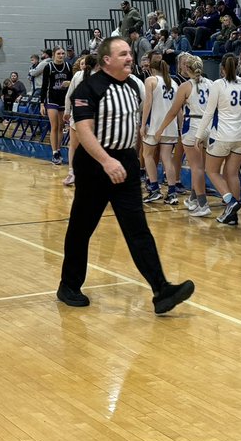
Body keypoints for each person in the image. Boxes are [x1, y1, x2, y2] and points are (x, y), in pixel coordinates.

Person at [56, 37, 194, 314]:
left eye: (130, 53)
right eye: (123, 54)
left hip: (126, 162)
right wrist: (106, 161)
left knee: (138, 228)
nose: (130, 58)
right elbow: (83, 130)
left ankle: (161, 290)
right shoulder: (88, 88)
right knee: (82, 228)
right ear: (107, 60)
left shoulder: (135, 85)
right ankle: (68, 286)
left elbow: (134, 122)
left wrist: (132, 157)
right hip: (95, 163)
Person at [194, 55, 241, 226]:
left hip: (222, 135)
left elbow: (209, 113)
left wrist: (199, 135)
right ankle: (233, 215)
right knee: (232, 173)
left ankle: (231, 201)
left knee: (212, 171)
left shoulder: (218, 84)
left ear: (222, 68)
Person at [153, 53, 214, 216]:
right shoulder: (211, 83)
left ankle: (203, 203)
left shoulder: (186, 86)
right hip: (209, 125)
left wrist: (160, 129)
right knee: (201, 167)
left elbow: (173, 112)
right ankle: (194, 199)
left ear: (187, 68)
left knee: (197, 168)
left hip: (193, 126)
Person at [140, 58, 181, 205]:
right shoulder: (174, 83)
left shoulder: (151, 80)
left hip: (155, 124)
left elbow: (148, 103)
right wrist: (180, 127)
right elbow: (178, 109)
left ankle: (155, 189)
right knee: (167, 158)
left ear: (151, 69)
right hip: (170, 125)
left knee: (147, 155)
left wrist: (143, 123)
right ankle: (172, 192)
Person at [61, 55, 98, 187]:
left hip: (77, 114)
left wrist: (66, 111)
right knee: (91, 147)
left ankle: (72, 173)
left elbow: (69, 96)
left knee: (73, 146)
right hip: (93, 116)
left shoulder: (77, 76)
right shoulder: (101, 77)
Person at [41, 48, 72, 164]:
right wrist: (41, 104)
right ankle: (54, 153)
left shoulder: (68, 67)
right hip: (51, 99)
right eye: (59, 53)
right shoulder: (48, 67)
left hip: (64, 99)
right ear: (54, 55)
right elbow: (44, 86)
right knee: (54, 126)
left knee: (61, 126)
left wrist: (69, 83)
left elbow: (73, 82)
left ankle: (58, 150)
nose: (61, 55)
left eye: (63, 53)